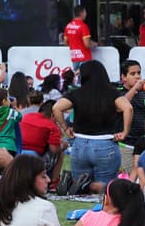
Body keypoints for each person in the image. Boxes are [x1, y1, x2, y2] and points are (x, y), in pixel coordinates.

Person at [53, 59, 132, 194]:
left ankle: (82, 213)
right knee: (106, 191)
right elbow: (128, 108)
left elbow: (56, 108)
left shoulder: (77, 93)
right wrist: (125, 131)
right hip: (106, 144)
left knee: (80, 189)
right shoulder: (112, 93)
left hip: (80, 145)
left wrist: (65, 128)